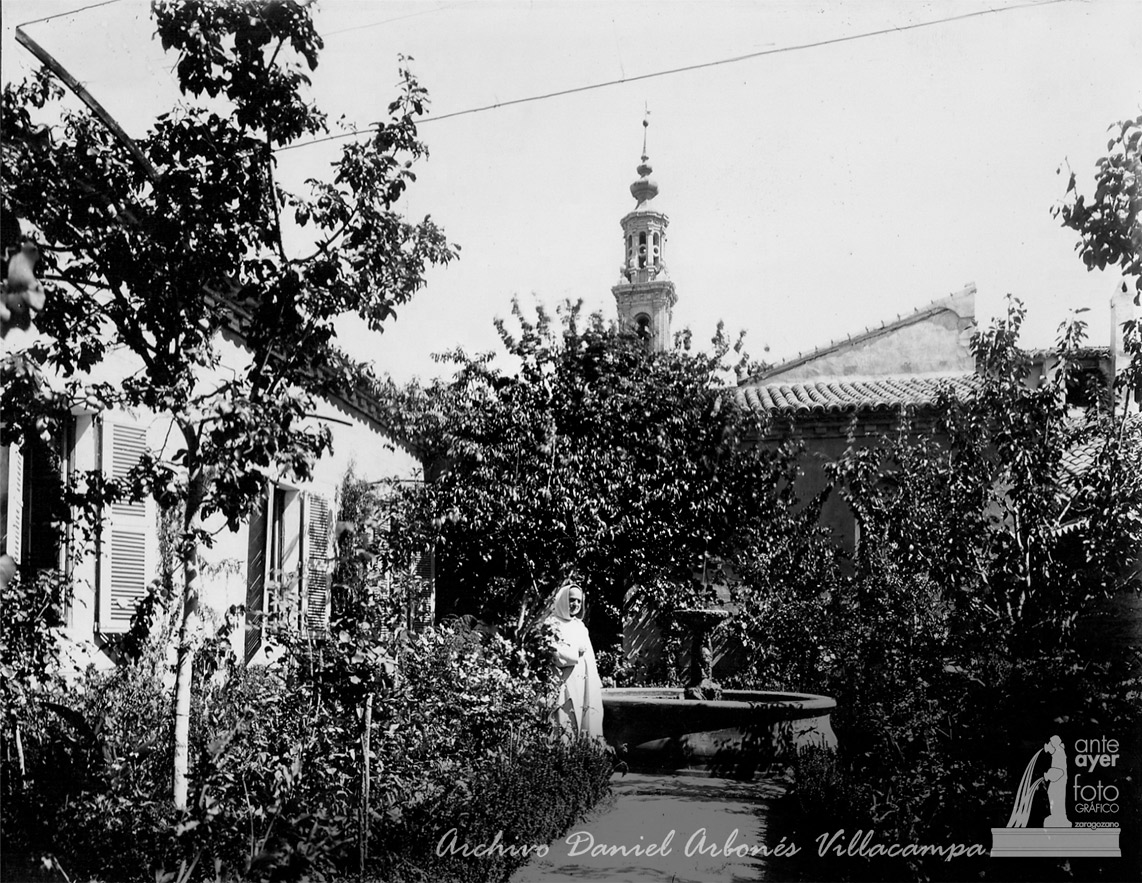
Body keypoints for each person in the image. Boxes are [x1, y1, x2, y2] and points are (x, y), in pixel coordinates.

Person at [545, 580, 603, 740]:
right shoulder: (552, 624)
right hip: (565, 681)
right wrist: (575, 653)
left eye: (579, 601)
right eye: (571, 600)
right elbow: (553, 654)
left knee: (586, 719)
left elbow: (589, 657)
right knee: (566, 722)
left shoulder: (580, 626)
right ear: (563, 600)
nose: (575, 604)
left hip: (584, 682)